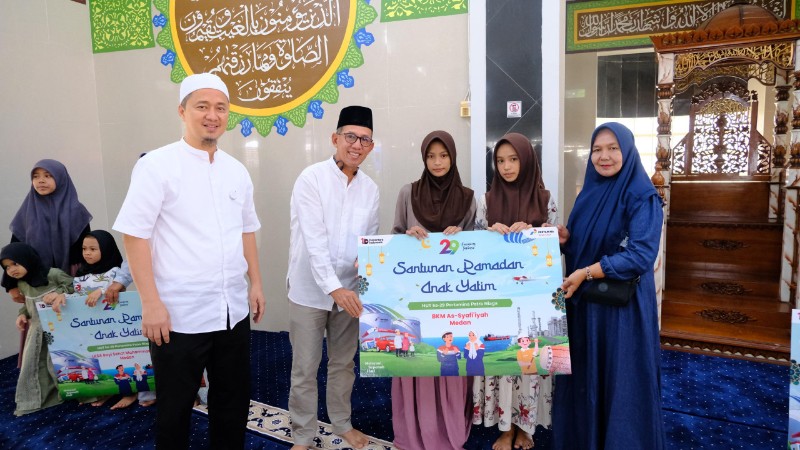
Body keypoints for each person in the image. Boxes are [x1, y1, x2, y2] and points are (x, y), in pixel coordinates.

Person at [113, 73, 265, 450]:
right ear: (182, 112)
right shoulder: (157, 165)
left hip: (232, 311)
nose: (212, 115)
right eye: (202, 106)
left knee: (232, 403)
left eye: (220, 108)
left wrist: (256, 284)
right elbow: (135, 235)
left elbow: (247, 230)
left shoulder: (236, 170)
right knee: (175, 408)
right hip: (178, 317)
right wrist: (150, 303)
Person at [551, 122, 665, 449]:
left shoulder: (642, 196)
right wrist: (566, 240)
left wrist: (587, 272)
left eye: (613, 148)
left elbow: (640, 255)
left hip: (621, 311)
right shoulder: (588, 194)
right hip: (586, 305)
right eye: (597, 149)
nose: (604, 156)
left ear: (627, 151)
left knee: (620, 379)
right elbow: (586, 246)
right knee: (587, 377)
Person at [287, 105, 379, 450]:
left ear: (371, 146)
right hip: (309, 290)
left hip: (350, 293)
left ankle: (341, 423)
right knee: (305, 368)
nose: (357, 145)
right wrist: (334, 288)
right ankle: (302, 435)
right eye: (350, 137)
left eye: (365, 140)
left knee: (343, 364)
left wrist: (366, 266)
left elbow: (368, 241)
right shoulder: (311, 179)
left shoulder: (371, 189)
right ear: (335, 138)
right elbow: (314, 243)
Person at [390, 130, 475, 450]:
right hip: (416, 298)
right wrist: (406, 237)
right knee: (418, 362)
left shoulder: (468, 198)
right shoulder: (407, 193)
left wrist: (462, 237)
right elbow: (393, 239)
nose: (437, 162)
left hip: (454, 300)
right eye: (430, 156)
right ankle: (414, 431)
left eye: (443, 155)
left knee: (449, 359)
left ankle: (450, 431)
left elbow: (478, 250)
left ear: (453, 157)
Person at [472, 133, 556, 450]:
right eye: (500, 161)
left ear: (527, 160)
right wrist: (489, 232)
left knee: (529, 362)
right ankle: (505, 428)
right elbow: (473, 251)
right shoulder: (486, 201)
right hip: (497, 298)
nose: (506, 167)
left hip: (534, 300)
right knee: (502, 362)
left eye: (513, 159)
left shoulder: (546, 200)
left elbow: (556, 247)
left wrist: (536, 234)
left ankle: (526, 427)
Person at [73, 229, 149, 408]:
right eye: (84, 249)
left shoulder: (116, 272)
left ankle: (130, 393)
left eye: (93, 249)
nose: (87, 253)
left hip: (114, 327)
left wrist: (101, 291)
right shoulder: (81, 273)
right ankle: (106, 391)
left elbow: (117, 288)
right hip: (91, 326)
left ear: (106, 249)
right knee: (99, 359)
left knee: (121, 357)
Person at [4, 159, 93, 303]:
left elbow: (86, 251)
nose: (41, 180)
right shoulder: (27, 211)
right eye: (36, 176)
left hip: (71, 282)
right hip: (36, 284)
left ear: (61, 178)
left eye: (48, 175)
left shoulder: (76, 211)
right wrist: (11, 285)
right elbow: (14, 252)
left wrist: (82, 282)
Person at [1, 242, 74, 416]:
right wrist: (22, 315)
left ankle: (76, 392)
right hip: (36, 332)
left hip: (59, 328)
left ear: (27, 259)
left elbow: (74, 287)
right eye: (7, 267)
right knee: (36, 364)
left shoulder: (53, 274)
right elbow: (28, 305)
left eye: (15, 263)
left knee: (61, 361)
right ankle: (43, 397)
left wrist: (59, 293)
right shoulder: (22, 283)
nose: (11, 270)